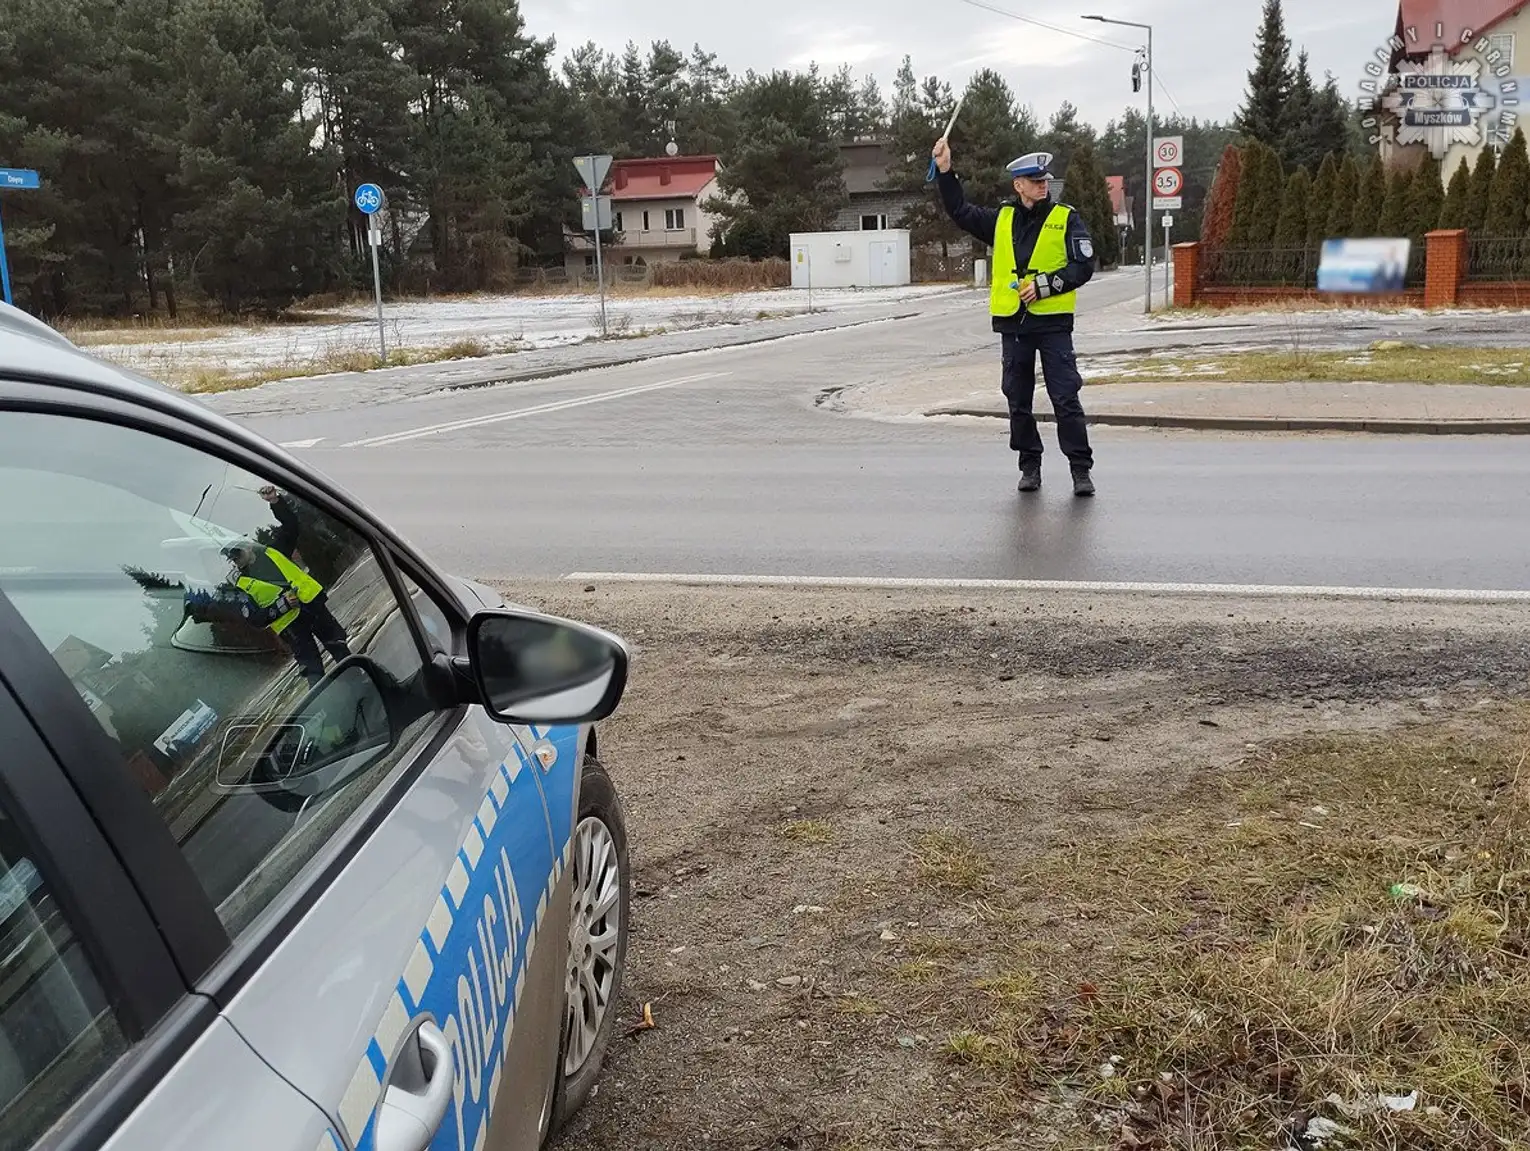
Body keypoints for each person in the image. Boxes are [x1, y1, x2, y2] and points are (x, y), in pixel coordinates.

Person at [930, 140, 1098, 496]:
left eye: (1045, 180)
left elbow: (1083, 266)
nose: (1043, 185)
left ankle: (1080, 470)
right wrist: (946, 170)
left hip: (1052, 325)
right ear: (1018, 185)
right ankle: (1029, 465)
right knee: (1018, 400)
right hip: (1015, 324)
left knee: (1065, 398)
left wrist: (1046, 286)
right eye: (1035, 181)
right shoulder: (1001, 219)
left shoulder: (1066, 218)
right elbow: (959, 210)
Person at [222, 537, 352, 687]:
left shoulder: (274, 550)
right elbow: (254, 619)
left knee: (338, 646)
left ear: (249, 546)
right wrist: (282, 605)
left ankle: (360, 683)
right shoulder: (241, 585)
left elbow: (290, 525)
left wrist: (276, 511)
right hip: (291, 627)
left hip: (311, 606)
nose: (235, 559)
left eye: (237, 553)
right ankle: (322, 708)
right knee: (313, 669)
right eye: (231, 557)